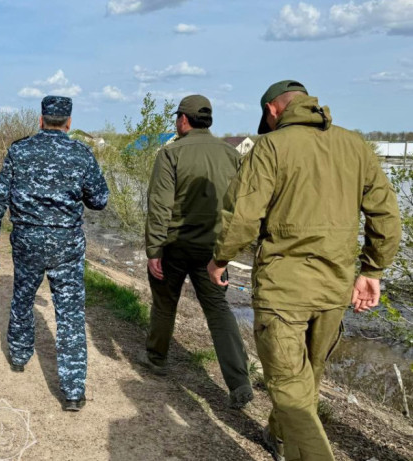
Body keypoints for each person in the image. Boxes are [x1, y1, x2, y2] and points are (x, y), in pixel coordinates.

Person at [207, 80, 401, 461]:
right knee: (306, 376)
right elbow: (386, 215)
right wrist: (372, 270)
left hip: (284, 289)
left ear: (272, 111)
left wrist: (220, 258)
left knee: (288, 385)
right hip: (334, 289)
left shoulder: (270, 146)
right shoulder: (355, 145)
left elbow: (242, 216)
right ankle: (280, 440)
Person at [0, 95, 109, 412]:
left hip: (26, 238)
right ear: (68, 122)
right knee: (70, 313)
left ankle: (20, 356)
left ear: (40, 120)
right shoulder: (81, 153)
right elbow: (100, 200)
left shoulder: (19, 150)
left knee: (23, 297)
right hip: (66, 242)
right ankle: (74, 391)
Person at [142, 95, 253, 409]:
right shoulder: (233, 156)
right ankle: (239, 381)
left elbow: (160, 206)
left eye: (177, 117)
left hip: (174, 246)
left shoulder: (170, 153)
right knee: (218, 311)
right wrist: (230, 248)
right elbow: (241, 208)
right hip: (214, 252)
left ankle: (156, 358)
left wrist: (154, 249)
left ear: (183, 120)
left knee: (165, 303)